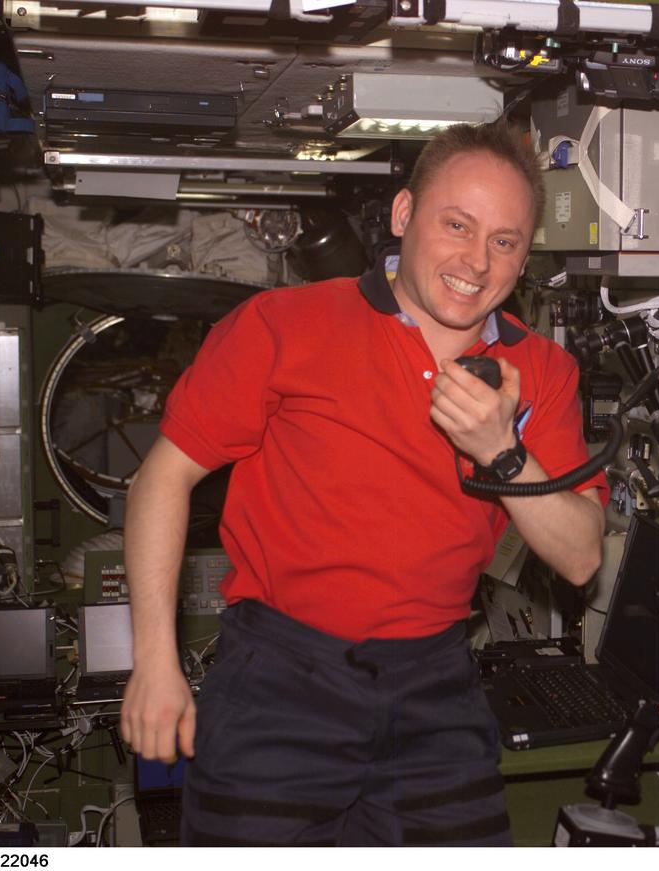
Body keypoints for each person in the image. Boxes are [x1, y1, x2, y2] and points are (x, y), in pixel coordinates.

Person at [119, 122, 606, 846]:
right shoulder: (284, 324)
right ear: (404, 216)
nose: (476, 261)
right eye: (456, 225)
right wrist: (154, 659)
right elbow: (162, 476)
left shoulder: (542, 372)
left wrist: (500, 452)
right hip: (281, 679)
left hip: (436, 682)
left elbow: (581, 556)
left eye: (504, 240)